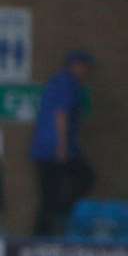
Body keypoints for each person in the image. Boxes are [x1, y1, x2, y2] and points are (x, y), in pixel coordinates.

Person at [30, 50, 94, 237]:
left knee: (51, 194)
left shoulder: (59, 82)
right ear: (75, 65)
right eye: (84, 66)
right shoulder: (67, 84)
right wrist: (62, 146)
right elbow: (61, 115)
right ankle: (45, 233)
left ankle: (46, 231)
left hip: (48, 149)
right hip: (54, 149)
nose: (86, 71)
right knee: (84, 178)